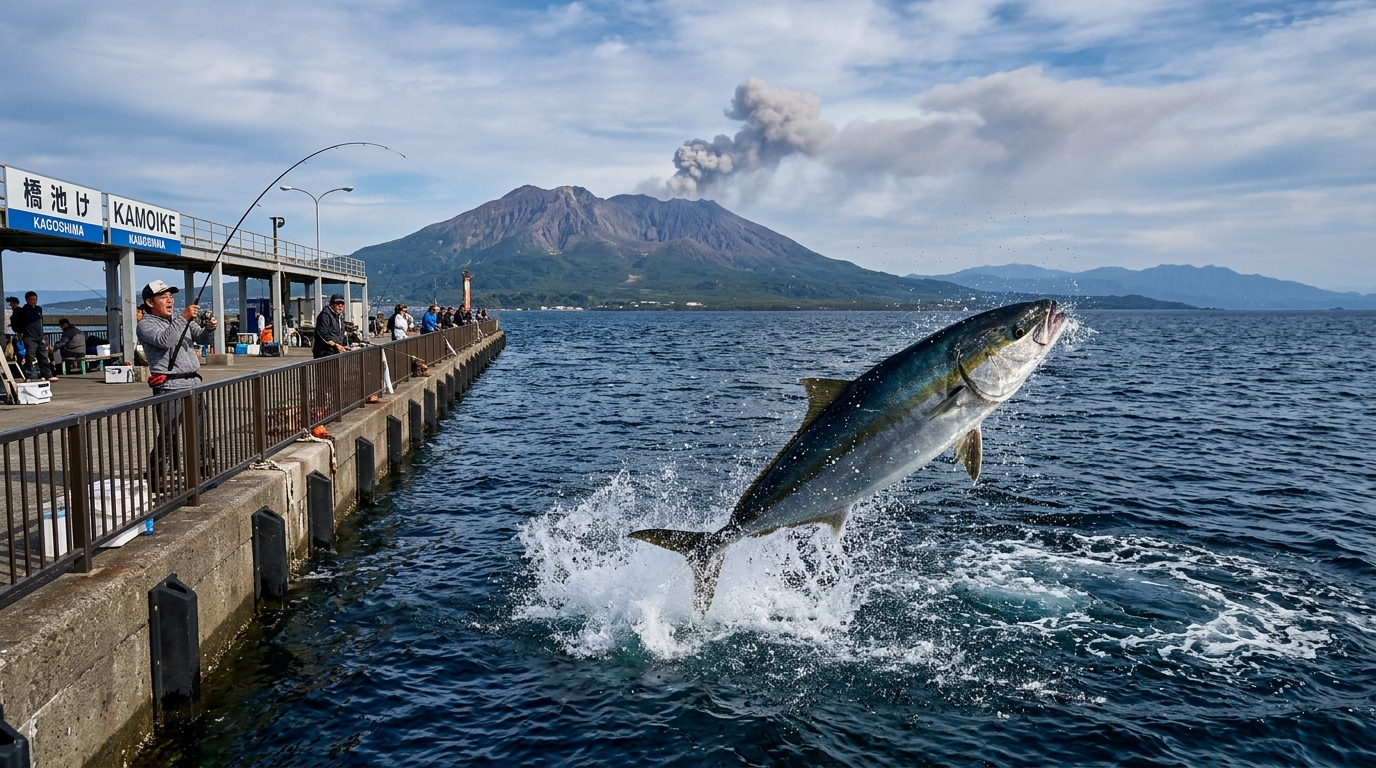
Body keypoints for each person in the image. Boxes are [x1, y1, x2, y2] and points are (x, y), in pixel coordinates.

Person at [138, 280, 217, 393]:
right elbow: (164, 341)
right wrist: (184, 317)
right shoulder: (145, 324)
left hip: (194, 384)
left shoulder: (179, 320)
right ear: (150, 302)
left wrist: (209, 329)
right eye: (163, 297)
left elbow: (202, 339)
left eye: (171, 296)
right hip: (170, 388)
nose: (170, 300)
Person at [17, 292, 55, 381]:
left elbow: (41, 323)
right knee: (30, 357)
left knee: (43, 356)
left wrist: (43, 335)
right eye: (32, 299)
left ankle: (47, 374)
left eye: (35, 299)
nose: (34, 301)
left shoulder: (38, 309)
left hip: (39, 336)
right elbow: (19, 324)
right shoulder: (23, 310)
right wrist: (20, 333)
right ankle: (29, 375)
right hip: (29, 337)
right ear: (27, 300)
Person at [314, 293, 348, 358]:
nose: (340, 306)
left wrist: (343, 344)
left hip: (335, 351)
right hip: (325, 352)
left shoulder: (339, 316)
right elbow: (323, 333)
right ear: (331, 304)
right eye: (337, 303)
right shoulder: (325, 316)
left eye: (342, 304)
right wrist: (335, 345)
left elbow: (339, 332)